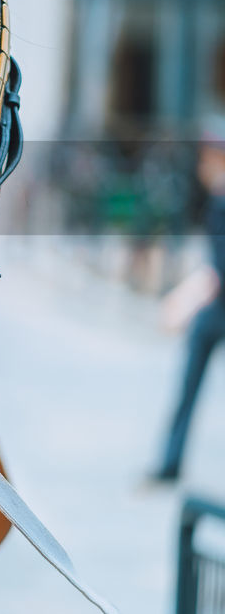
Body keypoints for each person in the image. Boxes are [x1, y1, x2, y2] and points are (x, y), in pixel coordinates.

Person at [151, 122, 225, 482]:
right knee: (188, 389)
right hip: (214, 309)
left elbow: (219, 270)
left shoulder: (221, 201)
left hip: (215, 312)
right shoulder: (216, 199)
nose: (201, 166)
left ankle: (169, 464)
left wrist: (186, 300)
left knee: (188, 389)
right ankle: (169, 463)